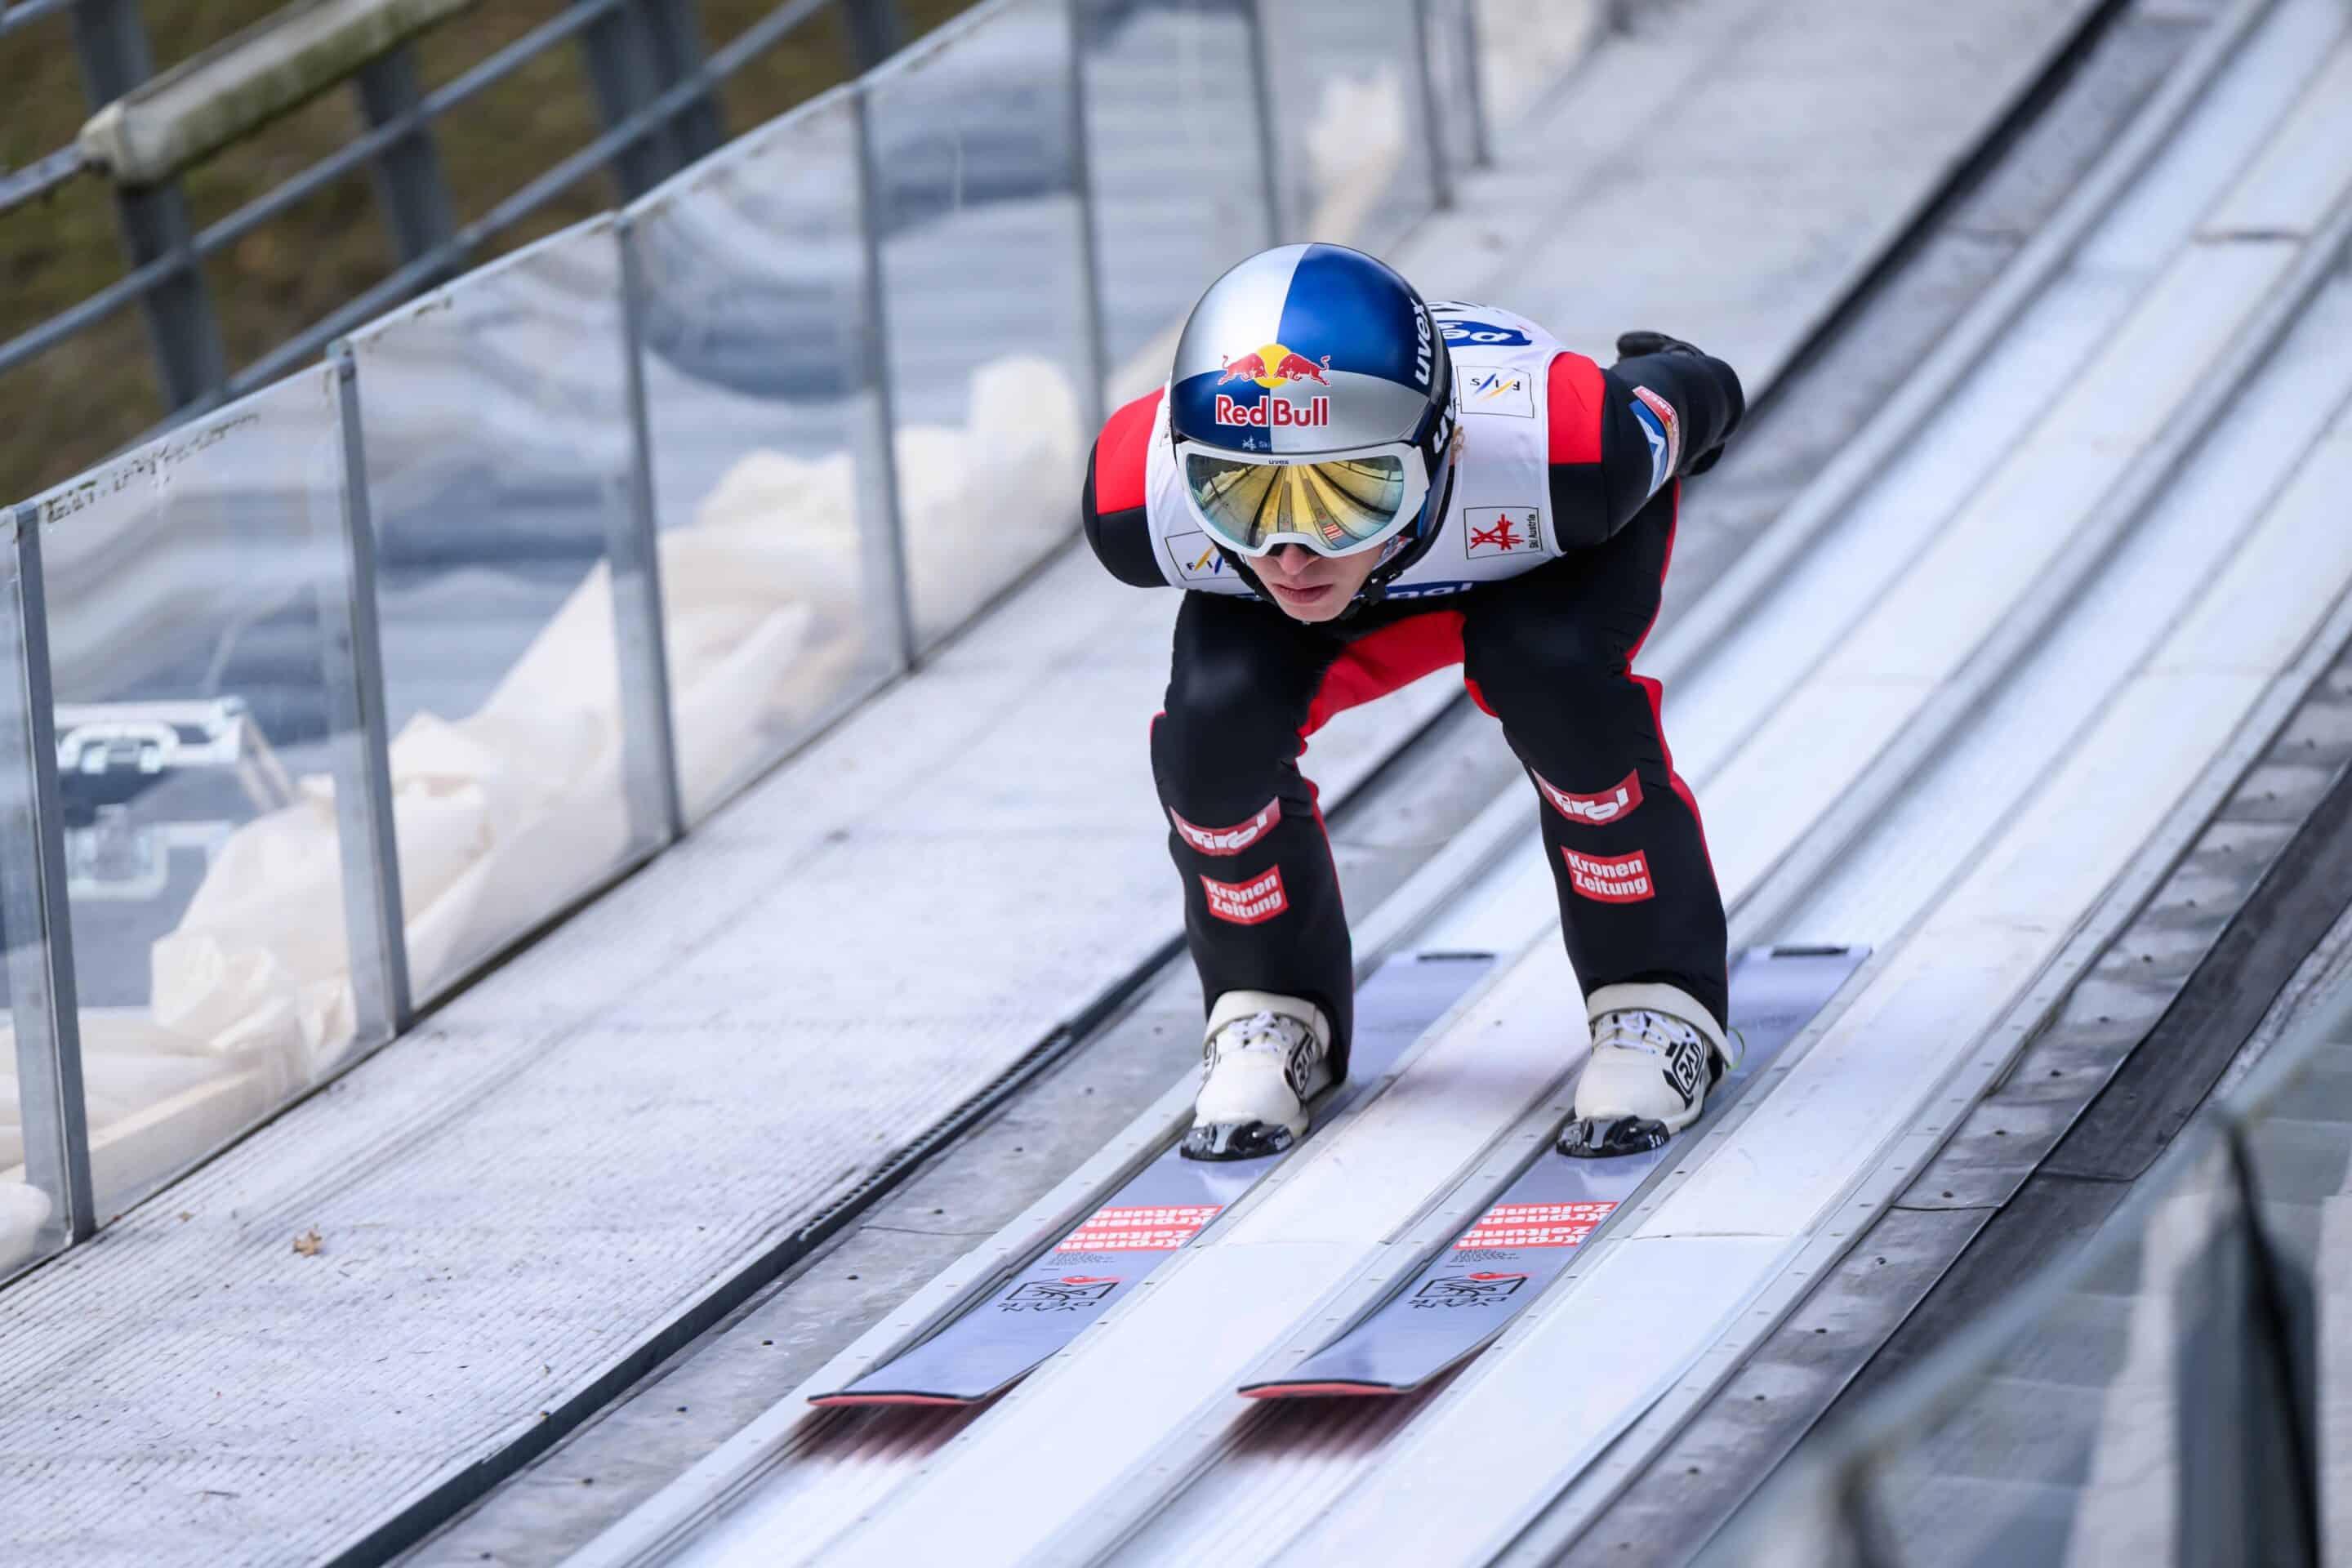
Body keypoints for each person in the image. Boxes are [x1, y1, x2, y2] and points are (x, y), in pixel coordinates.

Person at [1081, 243, 1744, 1161]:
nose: (1292, 552)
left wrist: (1676, 375)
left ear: (1446, 444)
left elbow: (1697, 390)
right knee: (1211, 731)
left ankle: (1659, 998)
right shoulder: (1137, 504)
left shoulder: (1574, 449)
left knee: (1556, 680)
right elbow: (1286, 557)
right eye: (1237, 495)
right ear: (1185, 468)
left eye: (1348, 491)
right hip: (1402, 567)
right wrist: (1344, 519)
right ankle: (1270, 1006)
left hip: (1539, 562)